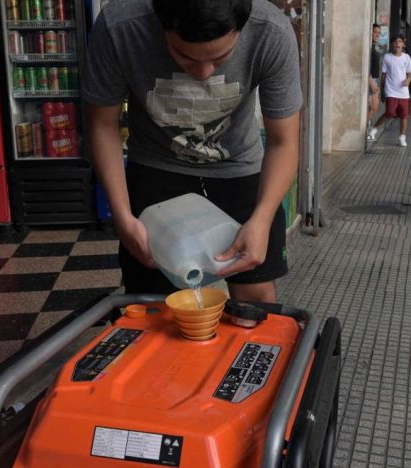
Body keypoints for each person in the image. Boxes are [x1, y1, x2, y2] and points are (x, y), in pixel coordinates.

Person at [82, 0, 302, 302]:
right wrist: (121, 215)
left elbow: (284, 141)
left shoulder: (271, 32)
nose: (202, 74)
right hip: (157, 170)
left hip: (239, 170)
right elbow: (102, 126)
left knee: (255, 298)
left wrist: (262, 218)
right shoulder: (120, 27)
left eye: (221, 57)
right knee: (154, 303)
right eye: (184, 57)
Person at [374, 34, 411, 147]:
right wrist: (381, 91)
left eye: (400, 41)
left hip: (404, 93)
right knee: (390, 113)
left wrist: (408, 81)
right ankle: (374, 129)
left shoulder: (407, 57)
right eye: (395, 41)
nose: (397, 43)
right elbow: (383, 75)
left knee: (404, 116)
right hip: (391, 91)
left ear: (403, 45)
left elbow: (410, 73)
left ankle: (402, 137)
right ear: (392, 44)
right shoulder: (387, 57)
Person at [367, 23, 382, 142]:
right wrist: (371, 82)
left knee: (374, 107)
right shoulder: (369, 47)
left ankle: (365, 127)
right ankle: (364, 129)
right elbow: (367, 66)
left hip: (375, 79)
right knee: (373, 106)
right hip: (370, 79)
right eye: (375, 32)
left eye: (378, 33)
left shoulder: (374, 46)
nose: (377, 35)